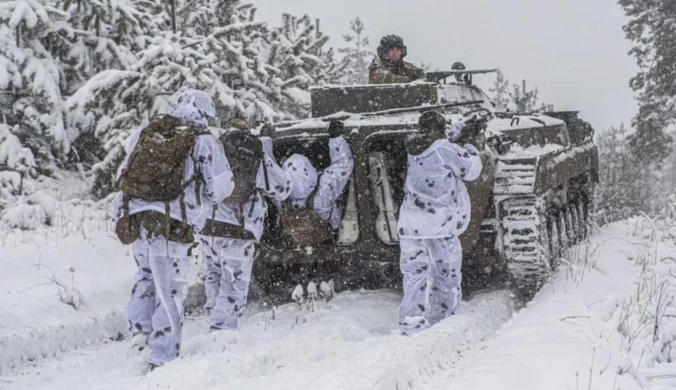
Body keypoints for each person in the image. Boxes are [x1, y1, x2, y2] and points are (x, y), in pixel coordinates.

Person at [113, 89, 235, 370]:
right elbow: (220, 188)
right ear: (206, 113)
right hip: (173, 225)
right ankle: (162, 356)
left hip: (139, 221)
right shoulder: (204, 142)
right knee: (171, 291)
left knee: (145, 276)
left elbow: (122, 175)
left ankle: (140, 333)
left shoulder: (145, 133)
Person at [197, 123, 291, 332]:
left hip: (207, 226)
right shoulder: (252, 155)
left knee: (214, 274)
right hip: (239, 228)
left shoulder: (212, 151)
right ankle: (222, 330)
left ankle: (214, 316)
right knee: (234, 281)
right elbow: (282, 188)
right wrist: (266, 150)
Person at [397, 111, 482, 335]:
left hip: (410, 223)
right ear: (439, 129)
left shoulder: (412, 148)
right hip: (438, 224)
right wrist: (470, 146)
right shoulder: (445, 150)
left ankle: (412, 320)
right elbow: (472, 170)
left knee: (414, 273)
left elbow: (433, 152)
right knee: (445, 272)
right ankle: (444, 320)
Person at [281, 120, 354, 231]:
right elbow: (343, 165)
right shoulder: (323, 190)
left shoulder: (284, 196)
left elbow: (268, 176)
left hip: (303, 244)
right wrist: (336, 138)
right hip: (334, 233)